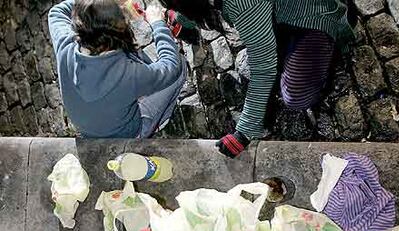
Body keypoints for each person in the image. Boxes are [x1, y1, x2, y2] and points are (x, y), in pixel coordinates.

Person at [159, 0, 355, 158]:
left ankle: (333, 35)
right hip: (281, 9)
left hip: (313, 14)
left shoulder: (242, 4)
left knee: (297, 96)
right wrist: (184, 18)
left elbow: (264, 67)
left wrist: (244, 132)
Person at [48, 0, 186, 138]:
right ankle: (157, 122)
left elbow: (56, 11)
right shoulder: (128, 75)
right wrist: (157, 23)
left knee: (135, 69)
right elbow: (171, 66)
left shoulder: (65, 46)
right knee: (180, 67)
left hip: (92, 128)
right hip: (126, 135)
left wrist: (98, 7)